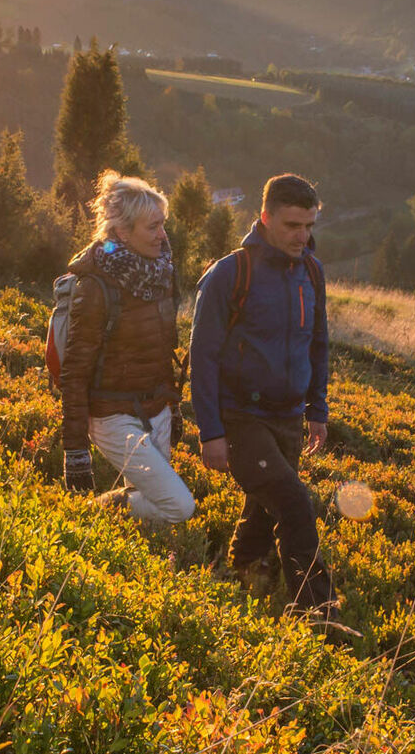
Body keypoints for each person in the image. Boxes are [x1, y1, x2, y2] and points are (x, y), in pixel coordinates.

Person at [189, 173, 336, 614]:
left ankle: (236, 574)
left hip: (289, 415)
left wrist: (317, 407)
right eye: (293, 226)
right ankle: (320, 616)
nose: (302, 236)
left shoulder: (311, 270)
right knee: (294, 505)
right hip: (239, 418)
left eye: (309, 226)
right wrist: (210, 431)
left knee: (263, 507)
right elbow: (203, 356)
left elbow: (318, 342)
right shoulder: (230, 274)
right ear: (266, 217)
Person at [59, 171, 196, 525]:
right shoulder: (96, 286)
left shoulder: (162, 272)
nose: (163, 236)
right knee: (179, 507)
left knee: (151, 501)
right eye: (152, 227)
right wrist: (75, 451)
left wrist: (171, 405)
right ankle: (95, 514)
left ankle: (113, 542)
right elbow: (74, 372)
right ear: (122, 232)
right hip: (112, 415)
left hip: (156, 408)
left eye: (163, 224)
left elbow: (162, 347)